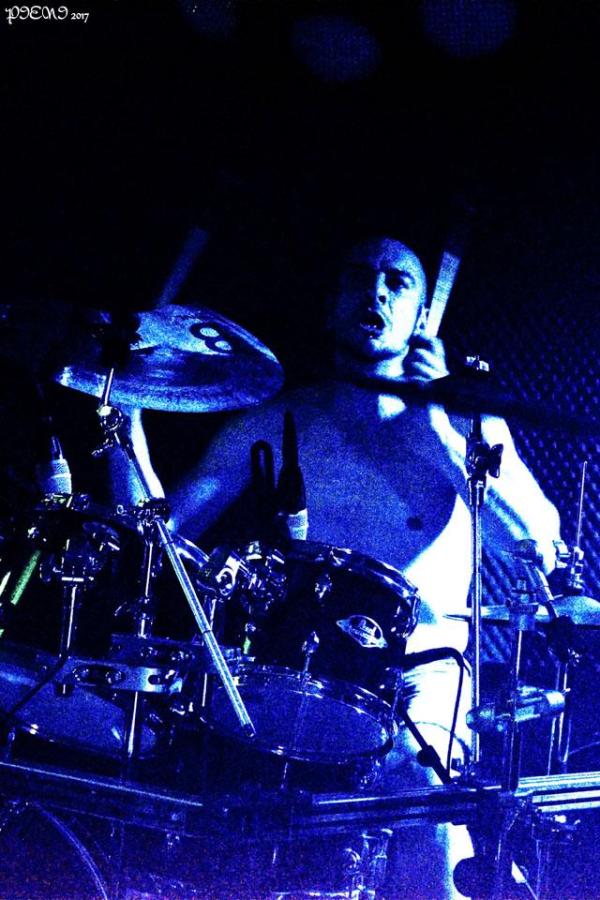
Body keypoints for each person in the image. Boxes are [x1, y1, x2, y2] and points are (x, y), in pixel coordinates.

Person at [117, 235, 561, 896]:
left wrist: (439, 431)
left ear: (421, 317)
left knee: (424, 791)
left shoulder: (469, 423)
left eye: (397, 281)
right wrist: (122, 418)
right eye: (360, 276)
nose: (376, 291)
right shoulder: (282, 419)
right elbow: (158, 530)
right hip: (297, 667)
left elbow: (535, 548)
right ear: (331, 306)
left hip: (424, 677)